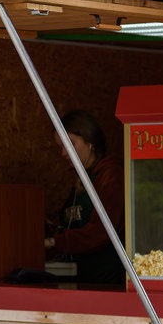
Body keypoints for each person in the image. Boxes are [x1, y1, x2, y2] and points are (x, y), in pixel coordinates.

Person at [45, 110, 125, 285]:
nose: (64, 153)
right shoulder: (83, 180)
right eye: (61, 147)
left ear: (90, 141)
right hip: (79, 278)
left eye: (70, 144)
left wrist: (53, 242)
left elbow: (101, 232)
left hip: (104, 282)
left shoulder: (111, 175)